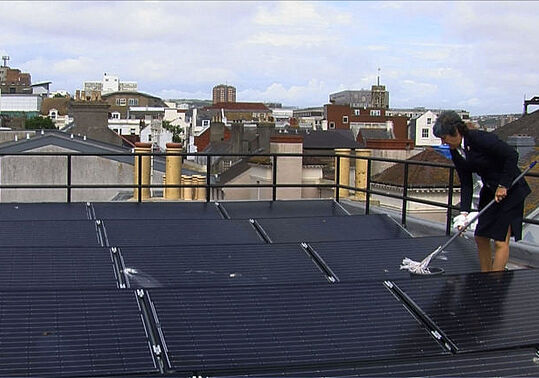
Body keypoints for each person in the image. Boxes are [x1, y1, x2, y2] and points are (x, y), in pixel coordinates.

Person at [433, 111, 531, 272]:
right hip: (490, 189)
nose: (443, 142)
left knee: (500, 241)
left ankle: (495, 280)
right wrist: (463, 214)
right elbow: (465, 182)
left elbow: (512, 155)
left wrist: (503, 185)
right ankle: (485, 275)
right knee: (480, 236)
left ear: (456, 131)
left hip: (511, 190)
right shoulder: (455, 151)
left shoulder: (480, 139)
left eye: (444, 137)